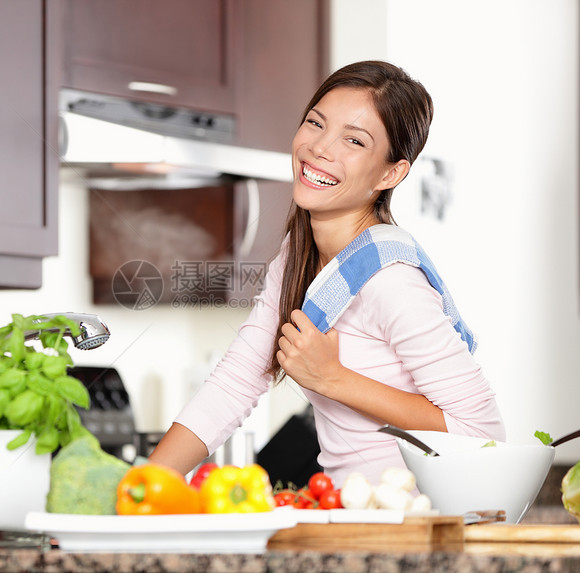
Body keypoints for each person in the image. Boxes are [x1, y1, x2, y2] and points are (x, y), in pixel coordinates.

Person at [147, 60, 505, 487]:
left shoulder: (390, 279)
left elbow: (483, 437)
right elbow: (236, 382)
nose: (320, 148)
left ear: (391, 173)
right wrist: (144, 485)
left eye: (354, 140)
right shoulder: (298, 254)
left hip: (414, 525)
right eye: (316, 123)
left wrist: (334, 380)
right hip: (352, 516)